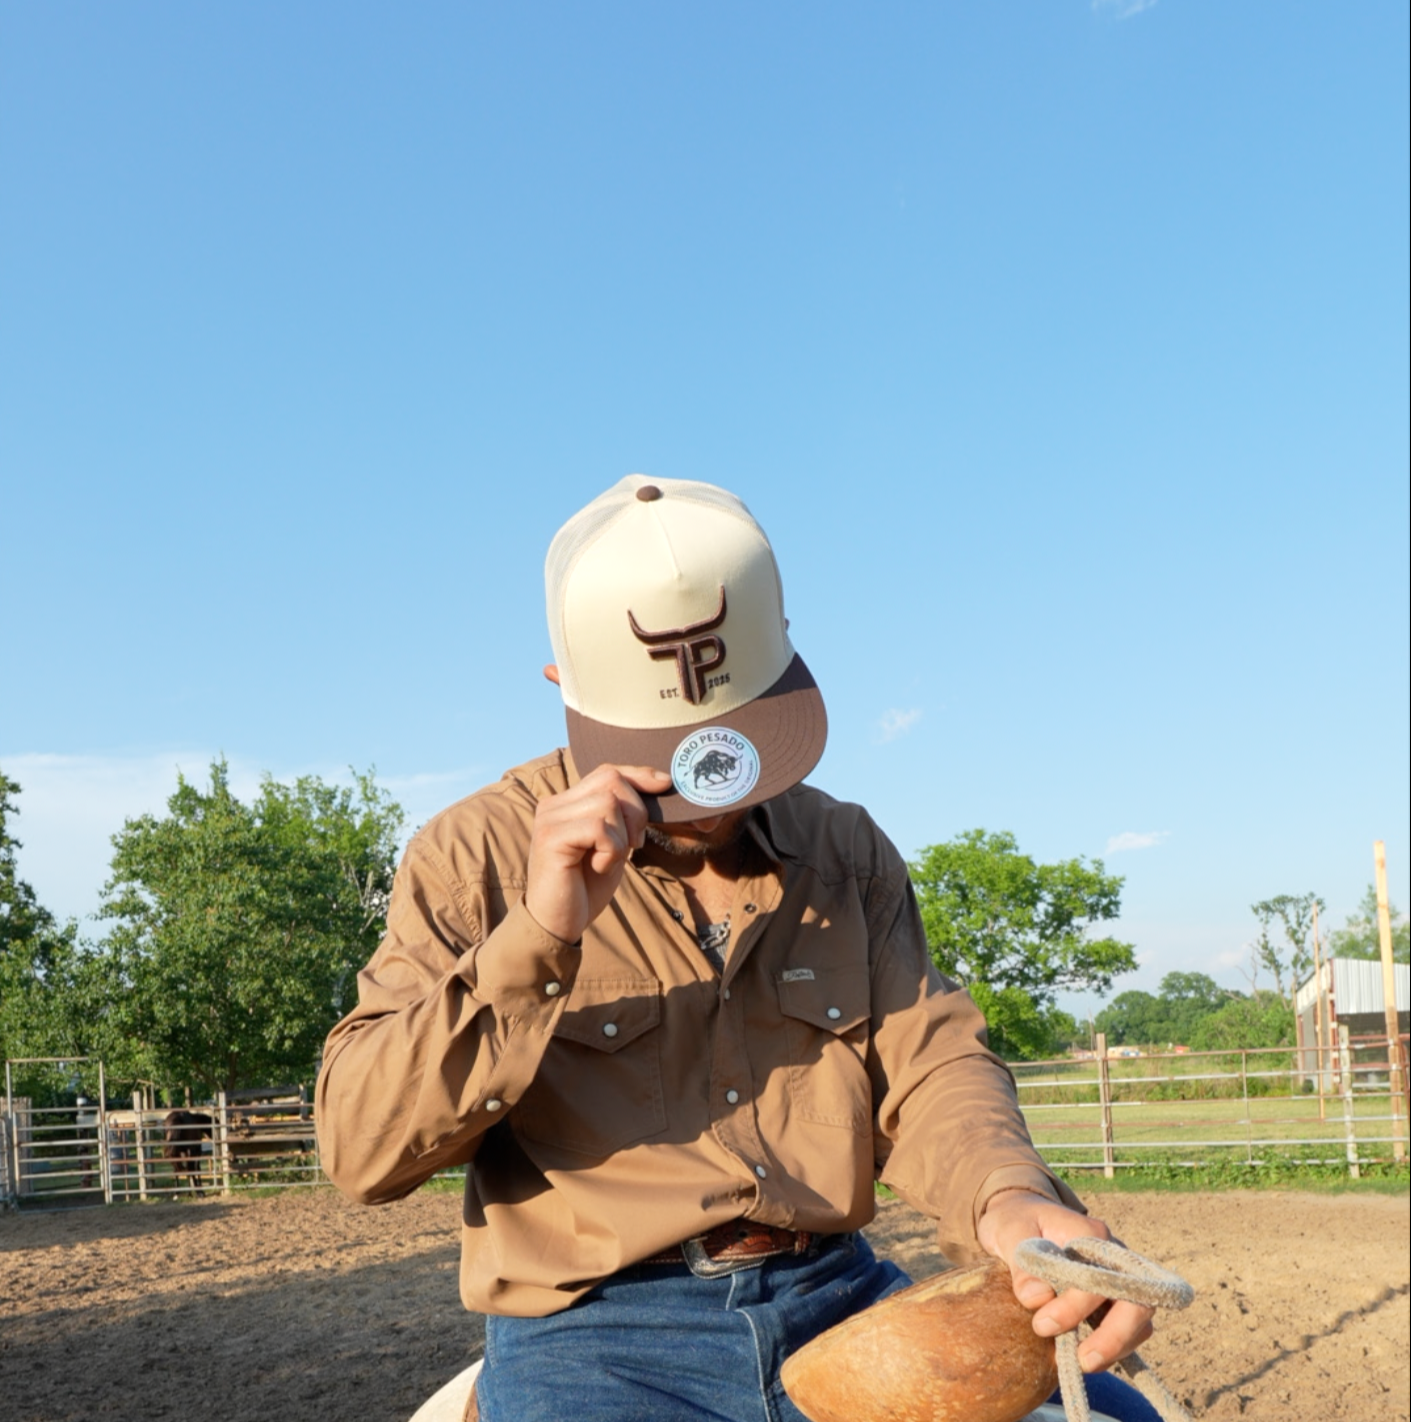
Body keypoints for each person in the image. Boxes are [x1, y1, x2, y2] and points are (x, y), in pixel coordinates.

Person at [318, 475, 1162, 1422]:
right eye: (663, 751)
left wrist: (1008, 1199)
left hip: (834, 1291)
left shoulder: (846, 851)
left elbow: (932, 1065)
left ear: (782, 649)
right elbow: (359, 1150)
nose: (712, 795)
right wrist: (536, 937)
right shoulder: (469, 856)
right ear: (564, 685)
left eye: (738, 738)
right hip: (592, 1334)